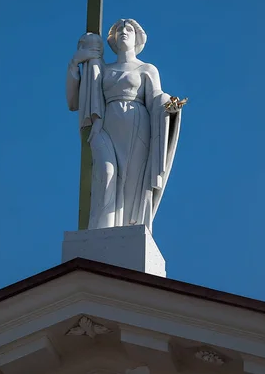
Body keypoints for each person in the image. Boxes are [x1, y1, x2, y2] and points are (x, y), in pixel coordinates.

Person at [66, 19, 183, 231]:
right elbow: (76, 101)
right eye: (119, 29)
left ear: (138, 37)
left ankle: (129, 228)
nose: (123, 32)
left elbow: (156, 96)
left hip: (137, 125)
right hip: (106, 125)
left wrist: (168, 104)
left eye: (129, 29)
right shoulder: (100, 69)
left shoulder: (147, 69)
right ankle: (100, 229)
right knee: (106, 173)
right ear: (112, 39)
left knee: (132, 179)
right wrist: (75, 63)